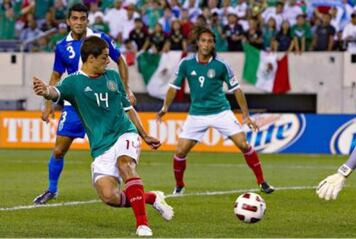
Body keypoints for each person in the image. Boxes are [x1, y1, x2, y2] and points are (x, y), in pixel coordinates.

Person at [32, 36, 174, 236]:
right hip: (100, 146)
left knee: (126, 165)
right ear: (90, 59)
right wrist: (44, 90)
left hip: (124, 133)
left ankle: (142, 224)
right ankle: (151, 198)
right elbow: (55, 92)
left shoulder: (113, 77)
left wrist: (144, 134)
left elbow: (128, 108)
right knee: (110, 197)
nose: (109, 61)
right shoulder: (73, 82)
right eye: (104, 57)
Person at [33, 3, 136, 205]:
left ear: (87, 20)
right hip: (75, 105)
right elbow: (56, 75)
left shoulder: (100, 38)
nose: (79, 22)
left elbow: (120, 60)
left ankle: (128, 187)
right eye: (75, 19)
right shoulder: (62, 47)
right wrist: (48, 105)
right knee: (58, 150)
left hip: (101, 104)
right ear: (68, 21)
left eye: (82, 18)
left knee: (115, 147)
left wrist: (127, 88)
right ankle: (51, 190)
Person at [156, 26, 275, 195]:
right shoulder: (186, 64)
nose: (206, 44)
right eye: (203, 41)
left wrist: (246, 116)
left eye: (210, 41)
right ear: (197, 43)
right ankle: (180, 185)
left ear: (213, 44)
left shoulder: (221, 66)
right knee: (180, 151)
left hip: (221, 112)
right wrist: (164, 108)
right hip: (197, 114)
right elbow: (173, 87)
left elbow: (237, 90)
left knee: (243, 144)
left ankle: (262, 182)